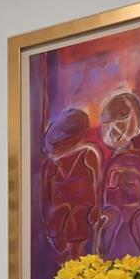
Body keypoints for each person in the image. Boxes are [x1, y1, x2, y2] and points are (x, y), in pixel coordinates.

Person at [96, 90, 140, 257]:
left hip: (133, 223)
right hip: (118, 224)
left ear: (138, 123)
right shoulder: (110, 164)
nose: (114, 128)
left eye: (122, 119)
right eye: (108, 122)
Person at [40, 108, 103, 261]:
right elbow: (45, 195)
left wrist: (96, 209)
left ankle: (75, 262)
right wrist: (48, 216)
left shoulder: (87, 153)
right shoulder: (51, 164)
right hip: (60, 211)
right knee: (61, 219)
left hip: (82, 209)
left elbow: (97, 183)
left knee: (77, 219)